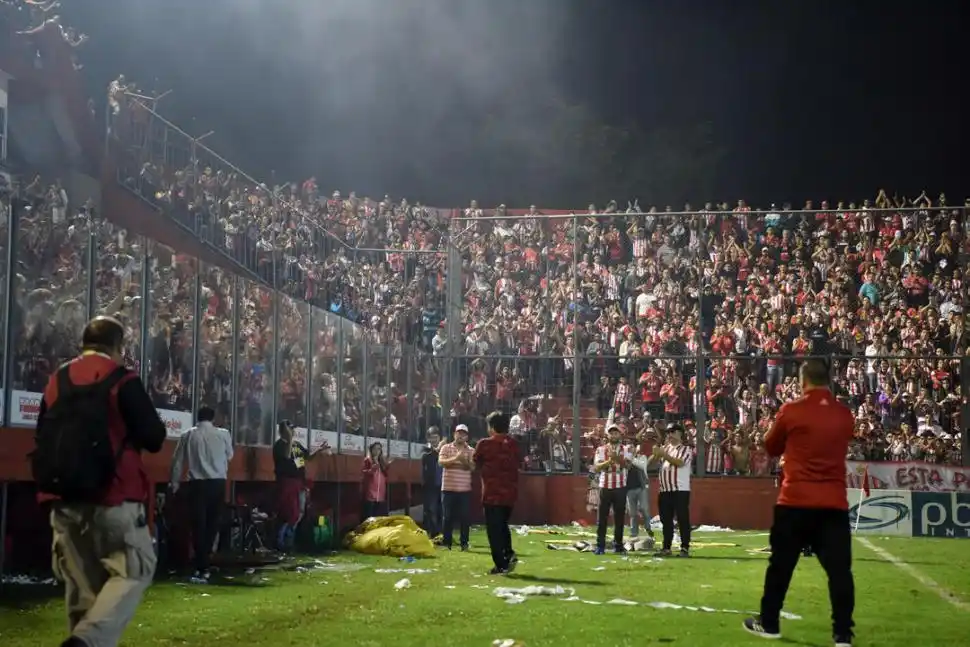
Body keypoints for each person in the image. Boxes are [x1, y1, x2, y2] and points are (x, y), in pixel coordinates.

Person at [33, 316, 167, 647]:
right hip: (114, 495)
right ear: (118, 346)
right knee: (135, 569)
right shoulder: (121, 378)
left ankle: (82, 637)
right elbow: (153, 437)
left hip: (62, 497)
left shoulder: (57, 379)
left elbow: (41, 433)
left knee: (82, 592)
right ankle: (86, 641)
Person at [743, 359, 856, 647]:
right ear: (828, 380)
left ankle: (769, 623)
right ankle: (843, 634)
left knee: (780, 567)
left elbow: (771, 446)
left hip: (795, 500)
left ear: (803, 380)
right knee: (839, 572)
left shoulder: (791, 410)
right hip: (833, 503)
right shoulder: (844, 414)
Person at [169, 406, 234, 582]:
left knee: (198, 525)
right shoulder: (223, 434)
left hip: (197, 484)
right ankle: (205, 561)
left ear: (197, 417)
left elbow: (177, 462)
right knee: (213, 524)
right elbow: (230, 456)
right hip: (218, 483)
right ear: (213, 418)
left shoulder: (188, 435)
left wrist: (174, 483)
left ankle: (201, 565)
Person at [473, 411, 520, 575]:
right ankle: (509, 554)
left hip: (492, 494)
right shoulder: (514, 444)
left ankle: (501, 564)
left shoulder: (484, 444)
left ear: (492, 427)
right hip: (510, 494)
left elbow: (474, 464)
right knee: (502, 525)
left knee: (494, 531)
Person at [272, 420, 329, 552]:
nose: (292, 431)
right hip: (286, 481)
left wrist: (319, 449)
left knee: (300, 512)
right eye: (290, 429)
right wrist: (289, 440)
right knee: (288, 512)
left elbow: (307, 457)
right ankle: (280, 542)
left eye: (292, 429)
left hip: (299, 482)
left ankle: (289, 539)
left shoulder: (297, 444)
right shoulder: (280, 445)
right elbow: (286, 457)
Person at [652, 422, 693, 557]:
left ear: (679, 433)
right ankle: (666, 547)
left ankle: (685, 547)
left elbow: (679, 463)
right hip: (664, 490)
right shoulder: (666, 448)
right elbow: (650, 463)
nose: (669, 435)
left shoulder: (686, 449)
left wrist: (663, 454)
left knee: (682, 519)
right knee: (666, 521)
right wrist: (655, 454)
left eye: (672, 432)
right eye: (668, 432)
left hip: (680, 489)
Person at [591, 424, 631, 554]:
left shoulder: (626, 449)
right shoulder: (601, 449)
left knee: (619, 518)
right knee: (602, 517)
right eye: (611, 433)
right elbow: (597, 467)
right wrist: (609, 461)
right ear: (608, 435)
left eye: (616, 433)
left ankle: (618, 546)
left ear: (620, 434)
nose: (614, 435)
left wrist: (616, 458)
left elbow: (628, 465)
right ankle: (600, 546)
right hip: (605, 486)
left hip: (620, 486)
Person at [438, 423, 474, 551]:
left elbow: (472, 467)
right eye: (459, 433)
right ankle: (446, 543)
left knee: (465, 517)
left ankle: (464, 543)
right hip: (448, 489)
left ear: (467, 437)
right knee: (447, 517)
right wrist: (456, 458)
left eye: (463, 434)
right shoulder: (446, 447)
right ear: (454, 434)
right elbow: (441, 462)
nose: (460, 436)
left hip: (464, 490)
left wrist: (462, 460)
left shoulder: (471, 450)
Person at [626, 442, 654, 541]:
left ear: (635, 448)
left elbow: (642, 466)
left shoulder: (642, 457)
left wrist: (631, 458)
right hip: (629, 489)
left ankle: (648, 528)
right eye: (628, 448)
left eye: (631, 447)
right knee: (632, 513)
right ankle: (634, 533)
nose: (630, 449)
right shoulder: (625, 460)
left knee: (644, 509)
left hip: (641, 488)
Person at [421, 426, 443, 537]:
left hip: (443, 484)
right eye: (432, 437)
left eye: (436, 437)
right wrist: (437, 450)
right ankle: (433, 533)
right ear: (428, 439)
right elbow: (427, 458)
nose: (434, 439)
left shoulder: (444, 449)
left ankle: (441, 533)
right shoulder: (426, 450)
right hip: (430, 485)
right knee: (431, 509)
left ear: (439, 438)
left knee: (441, 510)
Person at [361, 442, 390, 521]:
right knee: (369, 518)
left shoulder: (382, 462)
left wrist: (388, 466)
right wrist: (373, 469)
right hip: (370, 494)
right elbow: (364, 473)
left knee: (379, 518)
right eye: (375, 449)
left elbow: (386, 475)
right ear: (371, 450)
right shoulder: (368, 460)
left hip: (380, 495)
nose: (377, 451)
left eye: (379, 449)